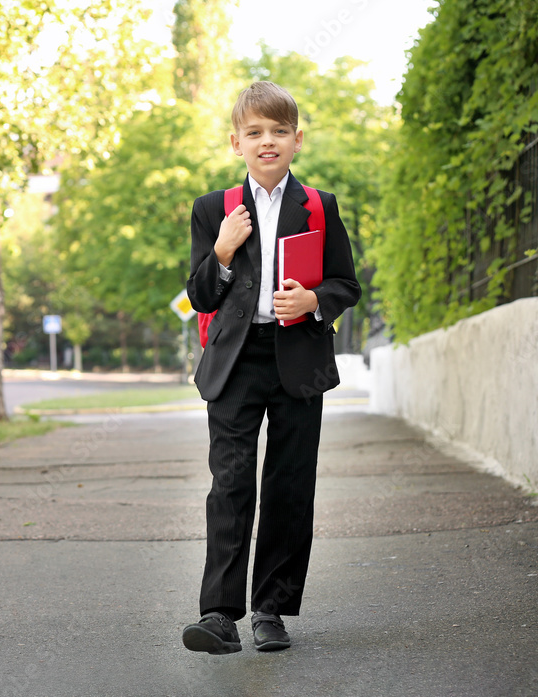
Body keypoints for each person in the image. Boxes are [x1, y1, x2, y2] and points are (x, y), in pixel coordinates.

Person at [182, 81, 361, 654]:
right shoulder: (213, 210)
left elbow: (345, 284)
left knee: (288, 485)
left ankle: (271, 609)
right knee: (230, 484)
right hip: (235, 361)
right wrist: (223, 251)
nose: (267, 142)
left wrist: (314, 302)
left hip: (298, 361)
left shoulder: (318, 206)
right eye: (255, 132)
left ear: (296, 140)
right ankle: (218, 615)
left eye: (279, 131)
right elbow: (201, 295)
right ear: (236, 142)